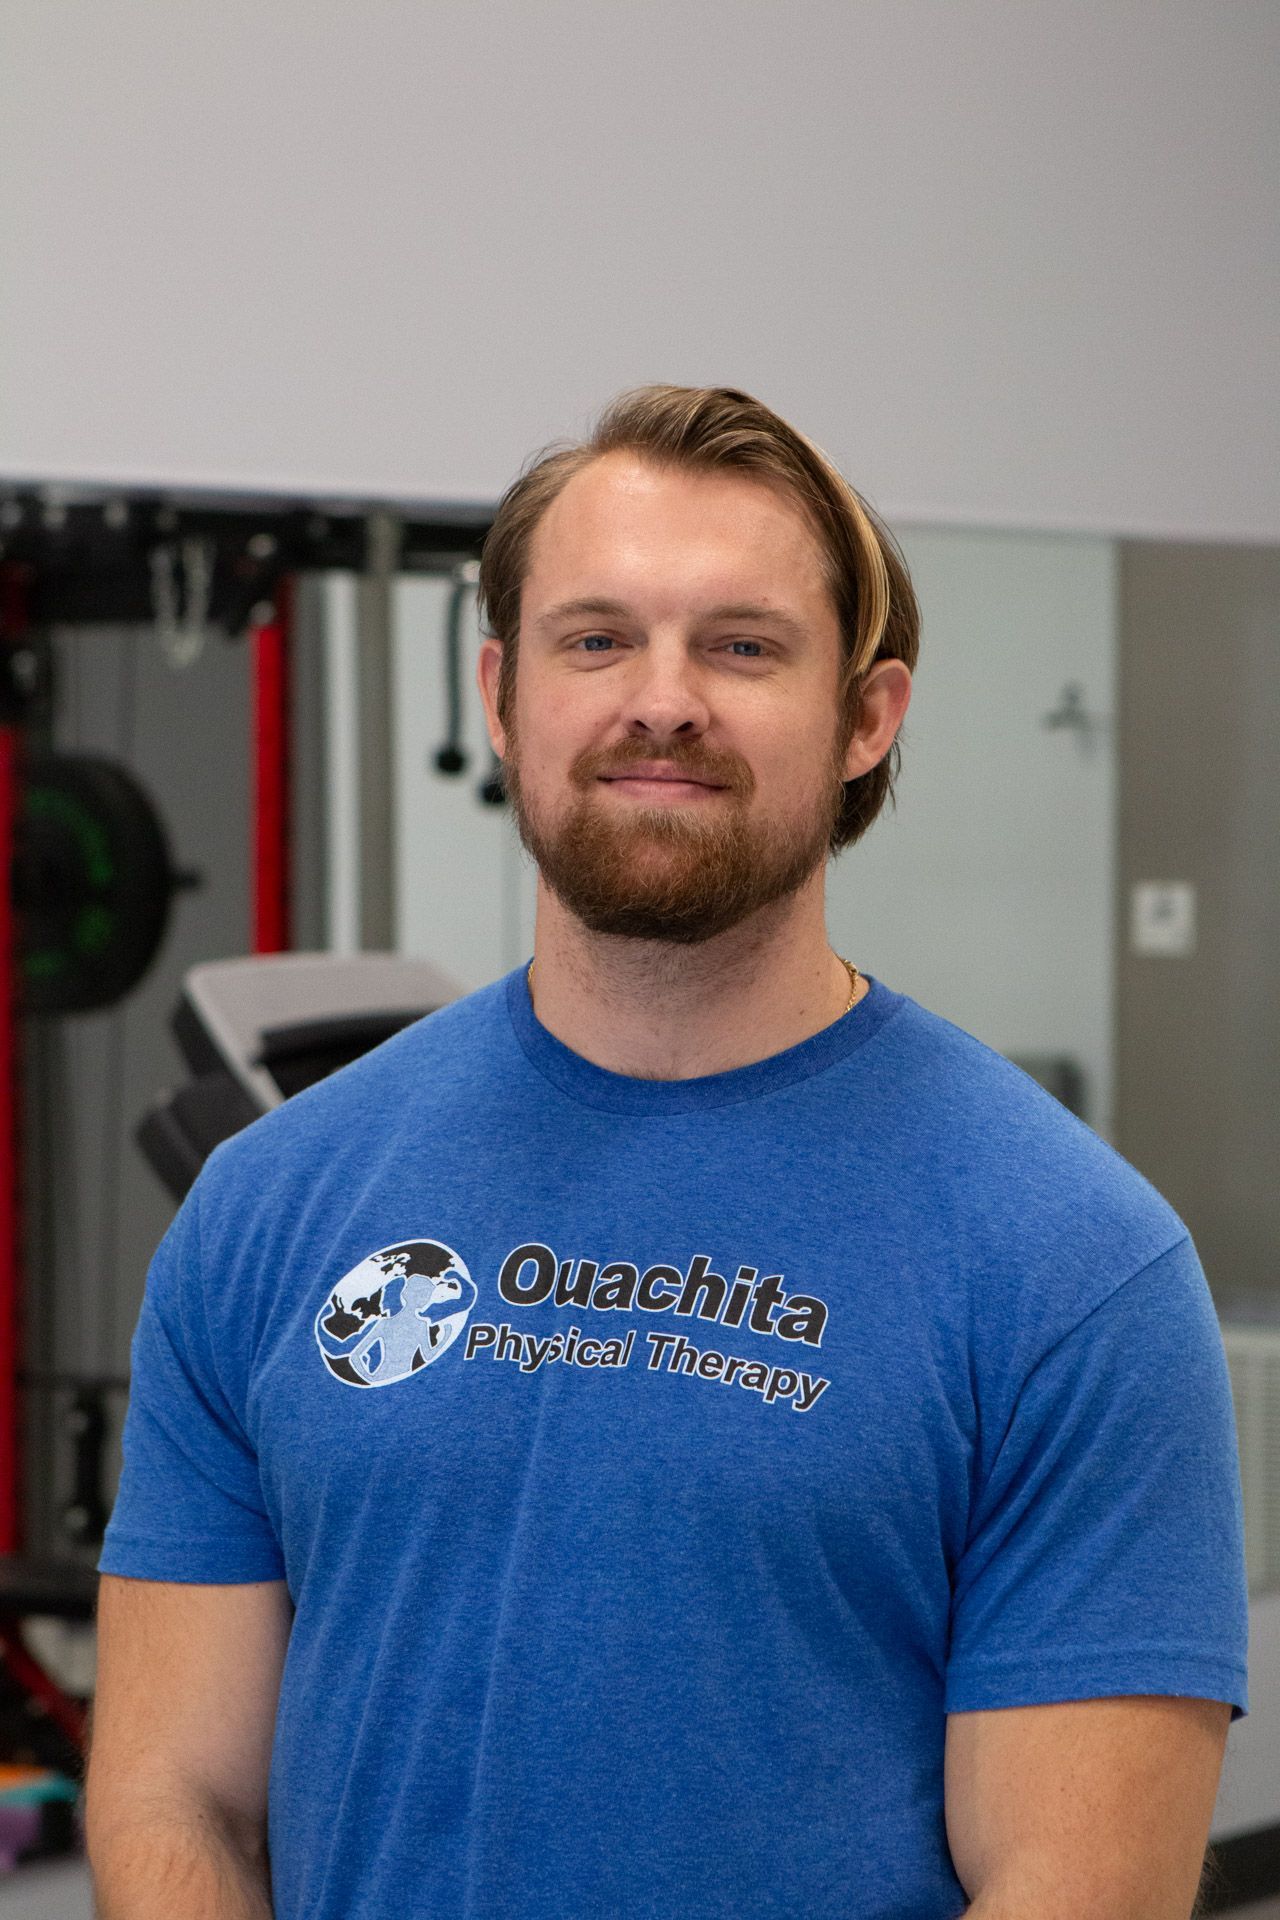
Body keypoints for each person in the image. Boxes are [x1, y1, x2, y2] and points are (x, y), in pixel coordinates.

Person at [86, 385, 1249, 1920]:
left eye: (743, 645)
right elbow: (178, 1797)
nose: (663, 698)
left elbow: (1072, 1888)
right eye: (597, 638)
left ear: (867, 718)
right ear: (503, 697)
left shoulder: (1073, 1263)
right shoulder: (274, 1205)